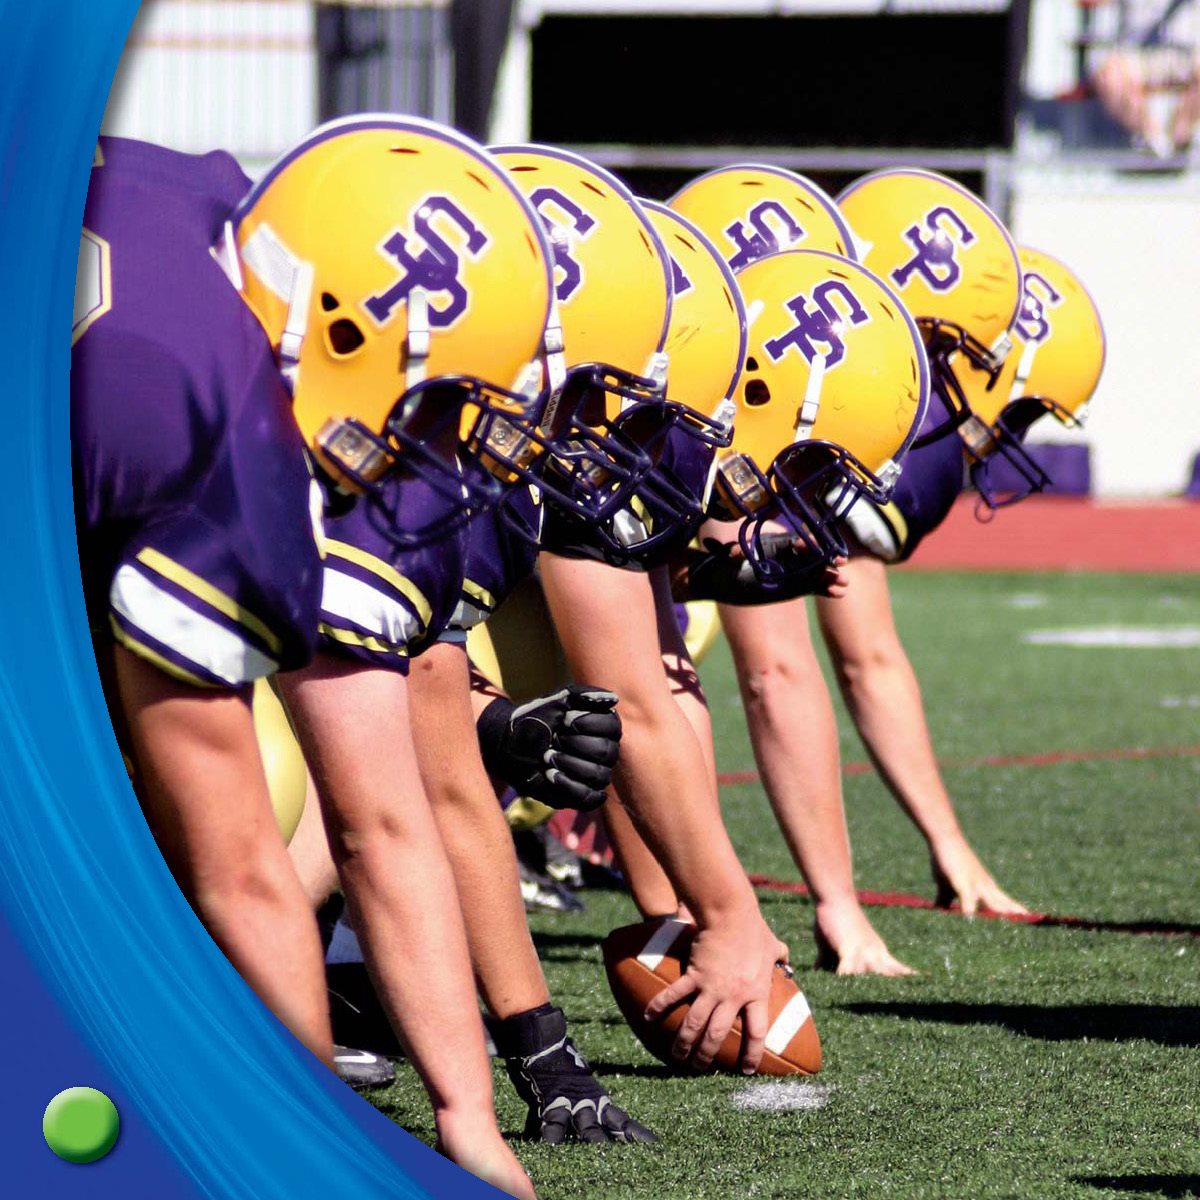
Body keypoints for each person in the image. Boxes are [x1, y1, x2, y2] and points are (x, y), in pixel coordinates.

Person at [74, 115, 563, 1198]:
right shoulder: (215, 430)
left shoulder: (193, 189)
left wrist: (465, 1112)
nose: (427, 438)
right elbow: (246, 872)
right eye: (433, 400)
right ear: (335, 333)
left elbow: (386, 819)